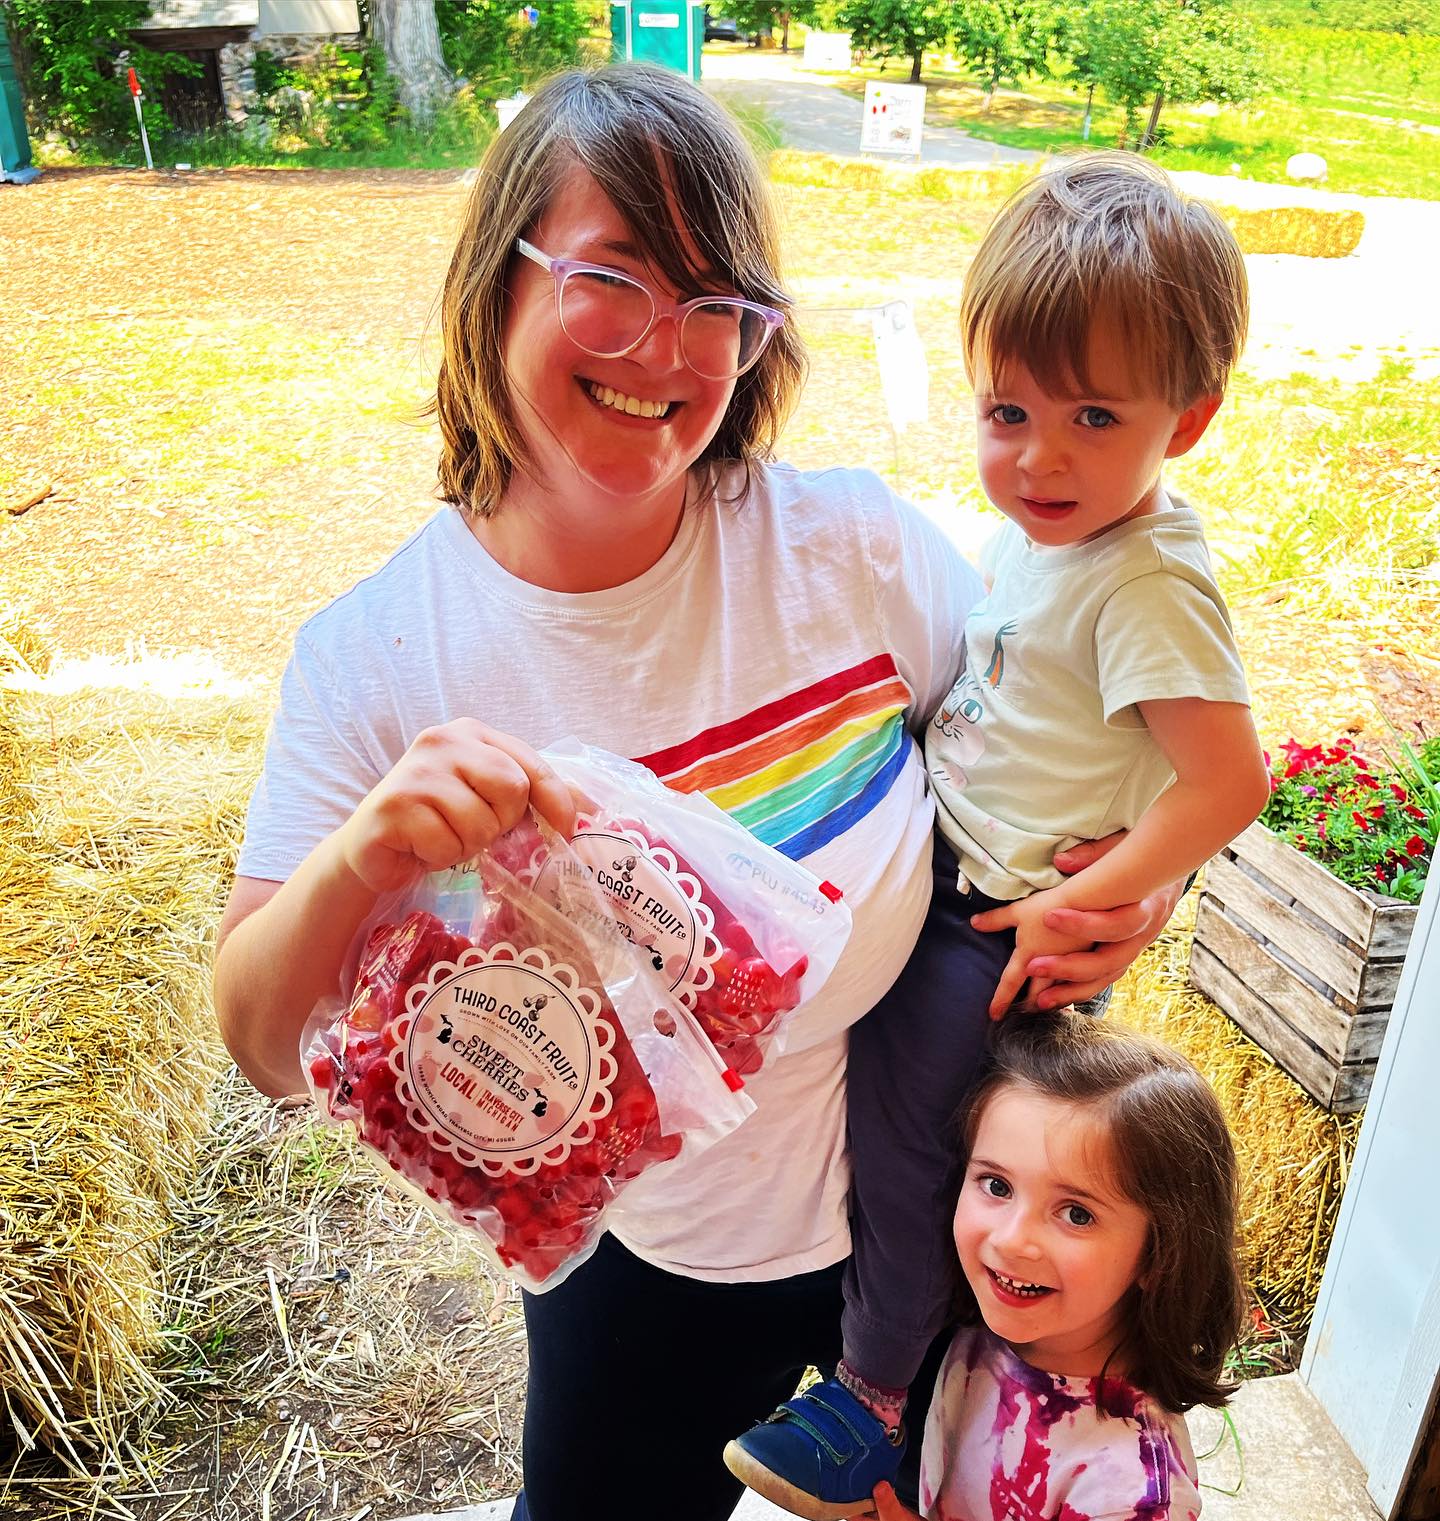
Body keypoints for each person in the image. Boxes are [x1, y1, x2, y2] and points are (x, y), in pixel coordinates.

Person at [212, 69, 1183, 1521]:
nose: (665, 353)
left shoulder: (850, 549)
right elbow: (259, 1041)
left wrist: (1143, 890)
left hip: (943, 1248)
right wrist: (363, 858)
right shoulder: (380, 656)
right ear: (497, 289)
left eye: (716, 305)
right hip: (644, 1269)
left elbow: (1064, 755)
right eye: (613, 279)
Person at [726, 154, 1269, 1517]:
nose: (1040, 455)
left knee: (919, 1146)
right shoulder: (1058, 527)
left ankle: (866, 1401)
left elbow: (1228, 782)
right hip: (967, 878)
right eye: (1007, 409)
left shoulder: (1143, 575)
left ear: (1186, 423)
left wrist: (1106, 893)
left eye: (1093, 414)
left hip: (995, 923)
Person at [868, 1011, 1246, 1521]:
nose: (1012, 1239)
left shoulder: (1133, 1493)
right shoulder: (987, 1329)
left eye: (1076, 1214)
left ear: (1162, 1254)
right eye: (997, 1185)